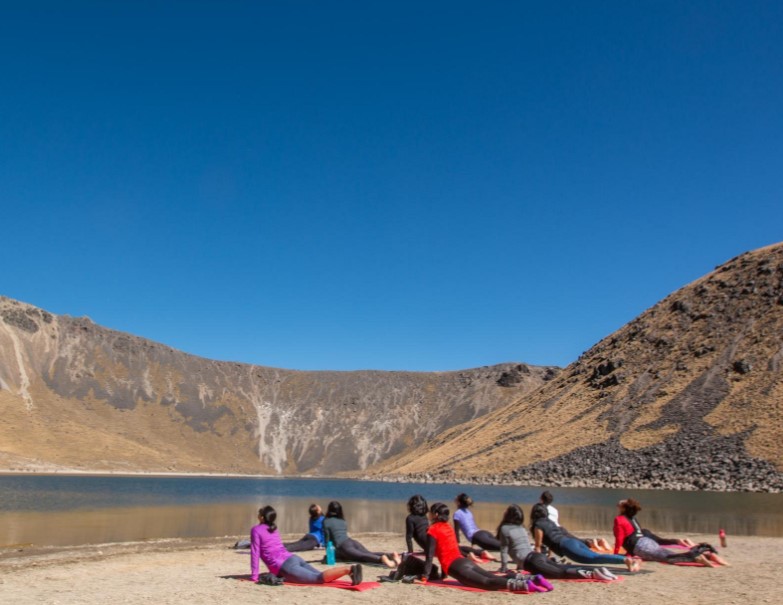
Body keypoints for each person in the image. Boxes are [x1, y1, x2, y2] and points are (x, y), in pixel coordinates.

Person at [402, 502, 552, 592]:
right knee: (492, 576)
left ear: (435, 514)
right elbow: (448, 549)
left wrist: (424, 577)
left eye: (430, 513)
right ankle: (534, 578)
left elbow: (430, 556)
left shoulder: (432, 530)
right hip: (464, 561)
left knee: (487, 584)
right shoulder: (447, 527)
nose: (428, 515)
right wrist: (442, 575)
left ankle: (526, 585)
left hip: (455, 567)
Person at [497, 504, 618, 581]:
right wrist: (519, 567)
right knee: (562, 567)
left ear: (509, 515)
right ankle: (599, 571)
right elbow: (522, 547)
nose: (503, 512)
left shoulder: (505, 529)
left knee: (561, 572)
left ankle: (594, 574)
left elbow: (504, 550)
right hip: (536, 556)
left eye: (505, 511)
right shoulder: (521, 528)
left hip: (531, 562)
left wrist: (503, 568)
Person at [250, 505, 362, 585]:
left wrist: (254, 576)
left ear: (262, 518)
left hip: (284, 566)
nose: (257, 516)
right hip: (293, 558)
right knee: (322, 575)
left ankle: (349, 569)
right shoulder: (273, 529)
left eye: (258, 514)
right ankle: (352, 573)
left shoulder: (256, 530)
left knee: (319, 578)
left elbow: (255, 553)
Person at [613, 499, 728, 566]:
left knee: (668, 558)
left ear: (624, 508)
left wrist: (615, 552)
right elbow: (636, 532)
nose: (618, 504)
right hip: (646, 541)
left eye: (620, 504)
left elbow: (620, 537)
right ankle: (707, 556)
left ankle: (697, 557)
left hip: (639, 546)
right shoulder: (632, 518)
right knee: (667, 553)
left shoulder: (619, 519)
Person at [530, 503, 641, 572]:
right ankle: (627, 559)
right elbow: (552, 540)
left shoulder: (538, 525)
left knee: (594, 558)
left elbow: (538, 547)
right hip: (571, 542)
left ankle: (627, 560)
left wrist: (538, 564)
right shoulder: (549, 522)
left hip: (566, 545)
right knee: (596, 556)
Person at [405, 494, 494, 561]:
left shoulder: (410, 518)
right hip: (432, 538)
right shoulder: (424, 516)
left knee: (450, 550)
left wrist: (410, 552)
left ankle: (468, 556)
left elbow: (409, 537)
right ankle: (480, 552)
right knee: (453, 547)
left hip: (427, 542)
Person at [323, 500, 401, 568]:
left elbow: (328, 541)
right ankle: (390, 555)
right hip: (351, 542)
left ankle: (381, 559)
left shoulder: (326, 522)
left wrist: (329, 555)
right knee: (368, 553)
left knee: (362, 556)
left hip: (343, 546)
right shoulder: (342, 521)